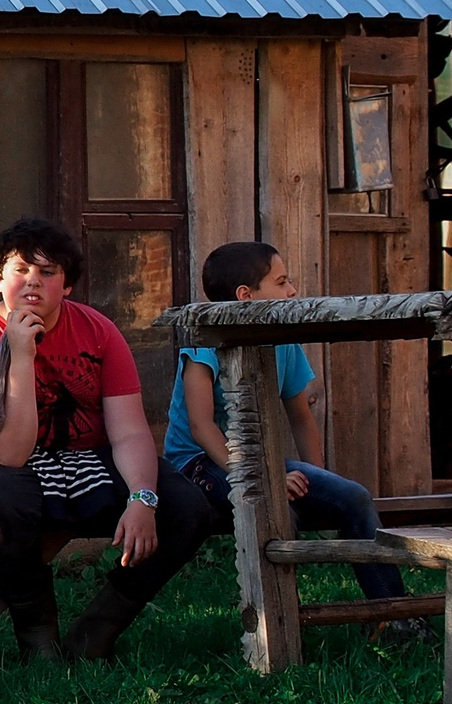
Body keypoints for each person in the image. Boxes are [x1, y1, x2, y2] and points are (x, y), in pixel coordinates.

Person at [0, 218, 213, 662]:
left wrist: (143, 498)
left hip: (84, 460)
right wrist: (21, 357)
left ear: (66, 285)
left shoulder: (98, 331)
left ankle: (99, 627)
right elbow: (10, 453)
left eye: (48, 273)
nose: (33, 282)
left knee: (186, 506)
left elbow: (128, 430)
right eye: (21, 270)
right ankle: (36, 630)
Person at [166, 241, 414, 620]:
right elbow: (201, 428)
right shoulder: (203, 343)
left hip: (261, 461)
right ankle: (278, 623)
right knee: (275, 507)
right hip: (202, 462)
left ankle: (394, 616)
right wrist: (261, 477)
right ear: (246, 296)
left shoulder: (281, 337)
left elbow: (300, 416)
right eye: (281, 282)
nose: (293, 291)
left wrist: (319, 482)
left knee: (354, 496)